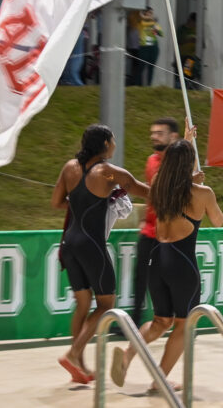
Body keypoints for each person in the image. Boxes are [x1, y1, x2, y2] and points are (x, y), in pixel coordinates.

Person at [110, 132, 222, 393]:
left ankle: (127, 355)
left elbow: (176, 176)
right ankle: (160, 380)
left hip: (156, 259)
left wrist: (186, 143)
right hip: (182, 265)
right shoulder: (202, 193)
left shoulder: (159, 183)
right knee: (184, 325)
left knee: (161, 321)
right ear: (190, 164)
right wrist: (204, 190)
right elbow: (218, 221)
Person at [51, 124, 150, 385]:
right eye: (113, 140)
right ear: (105, 144)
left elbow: (57, 202)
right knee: (106, 305)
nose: (115, 144)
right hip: (91, 246)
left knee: (82, 305)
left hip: (69, 244)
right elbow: (144, 191)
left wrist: (82, 201)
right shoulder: (108, 172)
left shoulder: (70, 167)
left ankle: (80, 365)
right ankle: (73, 354)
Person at [131, 118, 182, 328]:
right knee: (140, 276)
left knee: (171, 279)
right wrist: (144, 219)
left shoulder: (180, 164)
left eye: (159, 133)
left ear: (173, 136)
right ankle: (133, 322)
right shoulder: (151, 160)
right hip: (150, 230)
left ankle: (182, 323)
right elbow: (149, 193)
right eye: (153, 133)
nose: (154, 137)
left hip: (170, 232)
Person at [137, 7, 163, 86]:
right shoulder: (141, 22)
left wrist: (156, 30)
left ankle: (149, 85)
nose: (151, 15)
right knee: (141, 67)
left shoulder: (154, 23)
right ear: (145, 13)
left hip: (153, 47)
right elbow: (142, 23)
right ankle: (139, 86)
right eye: (149, 13)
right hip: (144, 47)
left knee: (151, 68)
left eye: (152, 13)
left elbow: (161, 34)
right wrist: (153, 21)